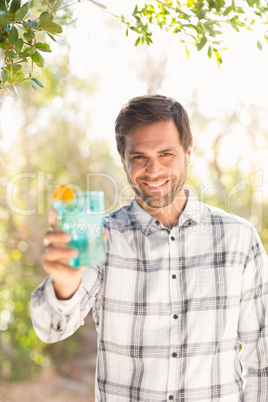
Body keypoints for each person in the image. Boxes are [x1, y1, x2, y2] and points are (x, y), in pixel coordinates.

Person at [31, 94, 268, 401]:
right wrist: (64, 284)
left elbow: (261, 358)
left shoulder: (239, 239)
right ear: (123, 160)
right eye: (139, 157)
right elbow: (50, 329)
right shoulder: (100, 237)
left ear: (188, 152)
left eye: (166, 154)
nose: (153, 171)